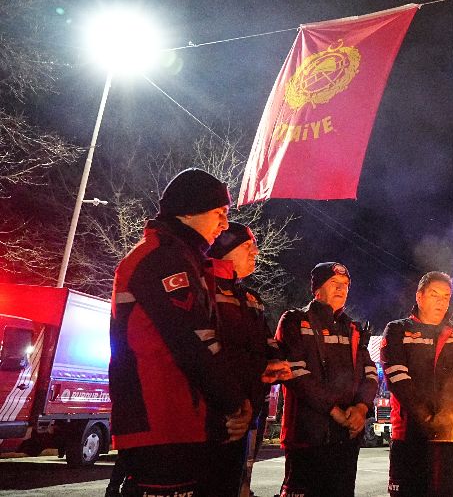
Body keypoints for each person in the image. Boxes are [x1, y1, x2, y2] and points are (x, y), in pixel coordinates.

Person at [109, 168, 251, 497]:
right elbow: (194, 342)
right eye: (219, 213)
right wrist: (234, 401)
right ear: (188, 211)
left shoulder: (182, 258)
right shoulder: (162, 258)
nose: (225, 224)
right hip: (161, 426)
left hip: (181, 423)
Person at [274, 262, 379, 497]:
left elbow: (370, 373)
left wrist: (362, 408)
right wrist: (334, 410)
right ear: (317, 289)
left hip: (346, 439)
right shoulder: (295, 321)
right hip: (307, 438)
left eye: (345, 285)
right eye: (334, 284)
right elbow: (295, 374)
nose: (341, 289)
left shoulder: (352, 328)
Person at [205, 222, 291, 497]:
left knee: (235, 483)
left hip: (248, 411)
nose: (255, 251)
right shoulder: (202, 289)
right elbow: (210, 351)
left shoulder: (251, 298)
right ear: (224, 250)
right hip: (213, 416)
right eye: (247, 246)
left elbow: (267, 342)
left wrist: (277, 360)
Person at [381, 272, 453, 497]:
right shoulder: (398, 330)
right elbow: (397, 378)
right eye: (434, 294)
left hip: (451, 434)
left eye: (446, 296)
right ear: (419, 296)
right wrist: (427, 417)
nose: (441, 301)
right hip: (409, 435)